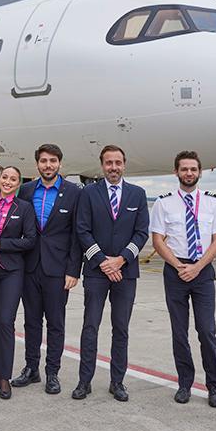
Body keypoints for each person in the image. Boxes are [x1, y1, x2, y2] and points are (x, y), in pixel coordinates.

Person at [149, 151, 216, 408]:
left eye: (193, 169)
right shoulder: (163, 203)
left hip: (202, 272)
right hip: (175, 272)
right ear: (176, 172)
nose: (189, 173)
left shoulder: (213, 203)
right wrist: (179, 265)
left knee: (207, 331)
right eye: (184, 169)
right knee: (179, 332)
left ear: (200, 172)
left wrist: (196, 267)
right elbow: (158, 240)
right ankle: (185, 383)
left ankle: (214, 386)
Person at [73, 145, 149, 402]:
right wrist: (102, 261)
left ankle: (117, 382)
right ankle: (85, 381)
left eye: (117, 163)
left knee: (121, 329)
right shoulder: (89, 193)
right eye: (108, 163)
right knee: (90, 327)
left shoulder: (137, 194)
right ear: (102, 165)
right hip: (96, 272)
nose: (113, 167)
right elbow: (82, 230)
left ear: (124, 165)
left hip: (125, 273)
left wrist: (121, 260)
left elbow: (142, 233)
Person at [12, 144, 82, 394]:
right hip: (30, 267)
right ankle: (31, 369)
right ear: (37, 164)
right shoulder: (27, 190)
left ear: (60, 164)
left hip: (58, 269)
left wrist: (74, 270)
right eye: (43, 161)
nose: (48, 165)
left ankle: (53, 372)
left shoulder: (73, 192)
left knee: (55, 323)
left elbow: (77, 234)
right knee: (31, 322)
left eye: (53, 161)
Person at [0, 166, 37, 400]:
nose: (8, 182)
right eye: (4, 177)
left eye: (13, 179)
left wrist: (4, 244)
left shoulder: (24, 208)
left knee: (5, 321)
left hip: (12, 270)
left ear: (18, 183)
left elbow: (30, 240)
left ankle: (5, 375)